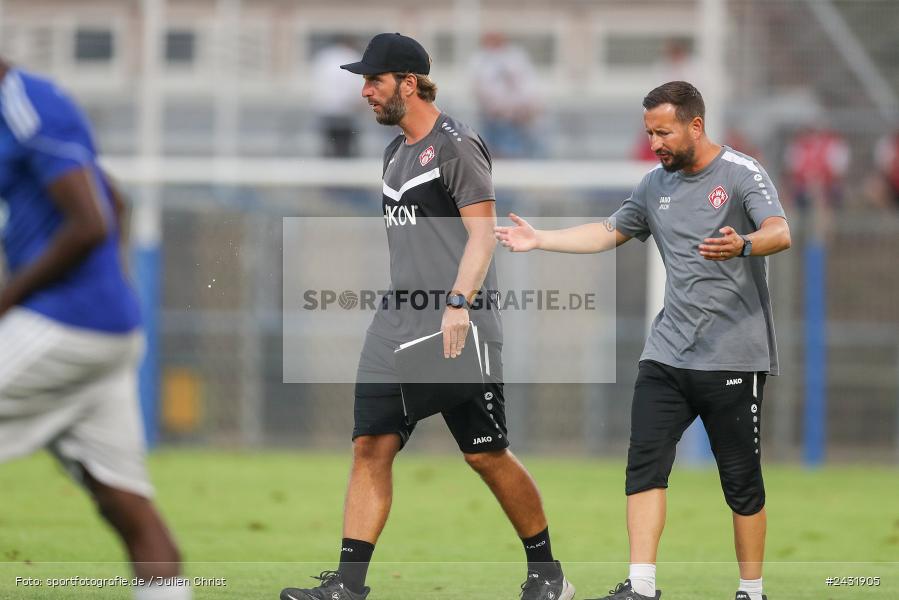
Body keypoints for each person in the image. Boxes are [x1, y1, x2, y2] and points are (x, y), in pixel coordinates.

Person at [279, 33, 573, 600]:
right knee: (371, 444)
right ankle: (348, 585)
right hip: (398, 320)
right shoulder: (394, 153)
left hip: (457, 322)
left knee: (485, 453)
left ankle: (548, 576)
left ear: (408, 83)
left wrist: (458, 306)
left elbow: (482, 236)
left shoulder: (457, 145)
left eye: (374, 80)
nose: (364, 91)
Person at [496, 81, 791, 600]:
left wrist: (743, 244)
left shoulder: (742, 173)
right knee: (644, 465)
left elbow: (779, 231)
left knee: (741, 484)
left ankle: (751, 590)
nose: (654, 142)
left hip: (733, 357)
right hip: (667, 354)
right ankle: (642, 586)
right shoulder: (655, 186)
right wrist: (540, 238)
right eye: (649, 132)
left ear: (695, 125)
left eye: (663, 131)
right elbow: (609, 231)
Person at [0, 59, 189, 598]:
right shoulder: (29, 104)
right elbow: (116, 201)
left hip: (66, 325)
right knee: (123, 502)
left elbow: (91, 222)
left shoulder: (26, 106)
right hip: (104, 331)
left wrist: (7, 301)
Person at [470, 32, 542, 158]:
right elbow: (480, 88)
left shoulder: (514, 58)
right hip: (493, 116)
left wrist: (527, 107)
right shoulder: (481, 60)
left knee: (514, 153)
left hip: (515, 117)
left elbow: (525, 86)